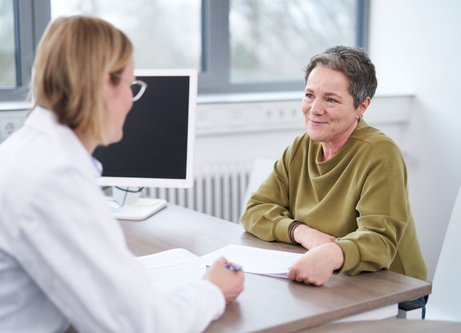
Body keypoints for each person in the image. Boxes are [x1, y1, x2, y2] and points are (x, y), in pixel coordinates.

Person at [0, 16, 244, 332]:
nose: (131, 99)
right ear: (104, 83)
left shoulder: (23, 149)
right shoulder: (56, 178)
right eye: (131, 85)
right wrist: (213, 290)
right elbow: (141, 326)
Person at [241, 46, 427, 287]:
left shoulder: (380, 153)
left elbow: (379, 242)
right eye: (309, 95)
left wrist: (331, 252)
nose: (315, 109)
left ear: (362, 106)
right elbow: (255, 210)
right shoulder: (301, 147)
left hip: (393, 289)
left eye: (330, 99)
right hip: (335, 280)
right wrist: (302, 232)